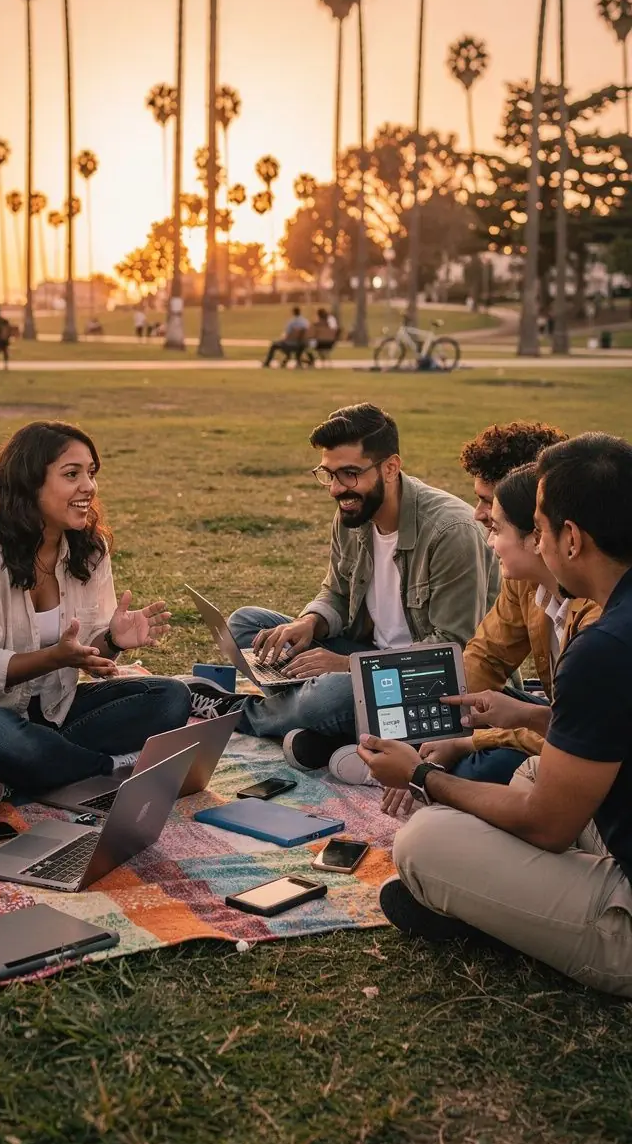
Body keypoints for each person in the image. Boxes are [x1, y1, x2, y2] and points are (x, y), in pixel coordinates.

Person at [360, 433, 632, 997]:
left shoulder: (604, 645)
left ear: (571, 539)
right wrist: (529, 717)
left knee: (424, 840)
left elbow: (547, 826)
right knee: (532, 769)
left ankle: (506, 914)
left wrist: (419, 774)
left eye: (539, 527)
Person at [0, 421, 192, 792]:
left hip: (51, 707)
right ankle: (112, 768)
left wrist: (112, 640)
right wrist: (54, 658)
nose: (88, 487)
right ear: (29, 482)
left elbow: (84, 652)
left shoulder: (89, 548)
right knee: (3, 737)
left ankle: (21, 772)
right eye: (72, 474)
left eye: (91, 473)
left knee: (170, 698)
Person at [219, 403, 494, 778]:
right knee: (247, 625)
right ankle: (330, 729)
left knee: (329, 695)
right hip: (367, 655)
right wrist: (309, 623)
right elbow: (336, 592)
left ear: (390, 468)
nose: (336, 489)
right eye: (329, 475)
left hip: (426, 683)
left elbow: (451, 650)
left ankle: (236, 714)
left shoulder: (451, 531)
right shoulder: (354, 512)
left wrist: (350, 668)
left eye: (349, 474)